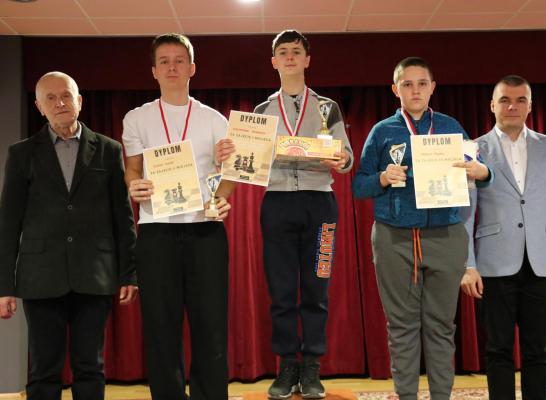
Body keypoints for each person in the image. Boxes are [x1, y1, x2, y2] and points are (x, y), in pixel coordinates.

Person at [218, 29, 353, 399]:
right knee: (281, 291)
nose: (290, 57)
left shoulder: (327, 107)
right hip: (277, 203)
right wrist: (232, 157)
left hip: (321, 204)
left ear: (307, 60)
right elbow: (246, 162)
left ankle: (312, 366)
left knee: (317, 287)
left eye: (296, 51)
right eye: (283, 52)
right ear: (274, 62)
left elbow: (346, 158)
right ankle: (286, 365)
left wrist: (341, 158)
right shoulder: (261, 113)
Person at [351, 57, 492, 400]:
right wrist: (382, 178)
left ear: (432, 88)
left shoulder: (450, 127)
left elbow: (478, 172)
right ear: (395, 89)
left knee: (441, 326)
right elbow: (359, 186)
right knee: (402, 327)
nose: (415, 91)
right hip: (394, 238)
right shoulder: (382, 131)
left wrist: (483, 172)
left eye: (422, 84)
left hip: (445, 236)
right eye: (407, 84)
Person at [0, 71, 137, 400]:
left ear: (79, 101)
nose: (59, 103)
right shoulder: (21, 154)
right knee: (43, 369)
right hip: (40, 276)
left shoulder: (108, 150)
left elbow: (123, 217)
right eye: (50, 98)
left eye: (66, 96)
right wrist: (4, 286)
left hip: (95, 274)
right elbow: (8, 223)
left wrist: (128, 274)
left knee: (90, 367)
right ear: (39, 106)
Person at [122, 33, 235, 400]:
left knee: (211, 326)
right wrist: (134, 185)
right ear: (154, 71)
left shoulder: (214, 119)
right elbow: (132, 169)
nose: (172, 67)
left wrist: (221, 199)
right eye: (164, 61)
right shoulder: (136, 118)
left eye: (179, 60)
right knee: (160, 327)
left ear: (192, 68)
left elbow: (230, 172)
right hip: (156, 233)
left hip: (206, 231)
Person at [460, 75, 546, 400]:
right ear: (492, 105)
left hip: (542, 264)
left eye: (520, 100)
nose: (512, 106)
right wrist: (468, 264)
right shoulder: (473, 150)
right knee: (497, 349)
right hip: (493, 264)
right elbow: (465, 213)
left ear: (530, 106)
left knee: (537, 350)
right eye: (505, 100)